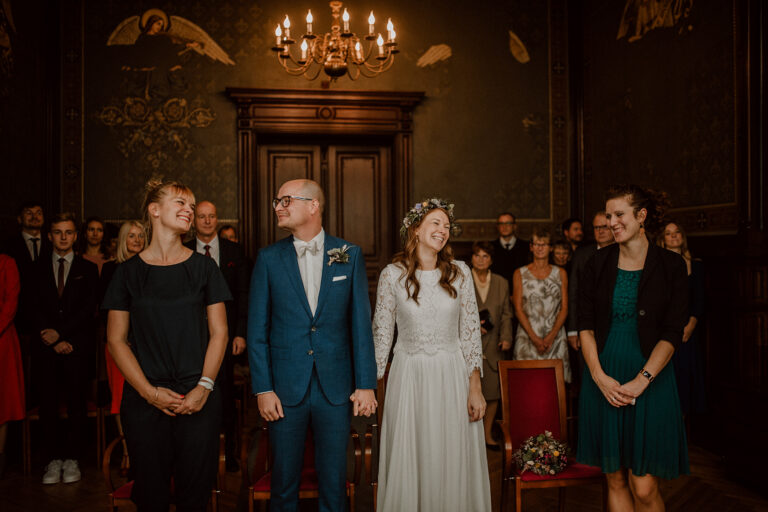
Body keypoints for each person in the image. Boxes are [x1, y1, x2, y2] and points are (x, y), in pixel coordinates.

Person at [247, 179, 377, 512]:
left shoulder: (348, 255)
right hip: (283, 391)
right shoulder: (268, 259)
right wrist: (263, 388)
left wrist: (365, 384)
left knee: (334, 485)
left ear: (313, 206)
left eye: (286, 200)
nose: (278, 206)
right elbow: (257, 330)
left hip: (335, 389)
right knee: (284, 484)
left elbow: (361, 326)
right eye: (277, 201)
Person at [103, 177, 231, 511]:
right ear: (154, 210)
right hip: (146, 398)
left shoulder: (204, 268)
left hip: (198, 395)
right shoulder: (127, 273)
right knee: (150, 494)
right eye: (180, 203)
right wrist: (148, 392)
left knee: (195, 493)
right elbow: (116, 340)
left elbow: (220, 333)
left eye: (192, 205)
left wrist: (203, 387)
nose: (189, 210)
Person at [373, 198, 491, 511]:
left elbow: (469, 334)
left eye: (447, 225)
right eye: (435, 223)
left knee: (449, 451)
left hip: (452, 375)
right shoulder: (392, 276)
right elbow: (382, 335)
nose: (443, 230)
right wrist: (368, 384)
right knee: (413, 452)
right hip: (409, 377)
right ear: (415, 229)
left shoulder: (460, 273)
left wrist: (475, 387)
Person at [577, 185, 689, 511]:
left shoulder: (670, 266)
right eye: (608, 215)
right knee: (614, 477)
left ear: (641, 216)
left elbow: (672, 333)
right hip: (605, 379)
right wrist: (599, 377)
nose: (612, 221)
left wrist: (643, 379)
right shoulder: (595, 263)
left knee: (643, 486)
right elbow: (584, 326)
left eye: (619, 214)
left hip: (651, 380)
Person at [31, 213, 99, 484]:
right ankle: (52, 460)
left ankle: (73, 459)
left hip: (76, 347)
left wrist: (63, 335)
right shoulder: (36, 268)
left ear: (75, 236)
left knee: (76, 404)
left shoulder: (88, 268)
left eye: (68, 232)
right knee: (48, 404)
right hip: (46, 348)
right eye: (58, 232)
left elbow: (88, 309)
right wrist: (52, 338)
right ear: (49, 236)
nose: (63, 237)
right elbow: (31, 307)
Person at [185, 200, 249, 471]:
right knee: (193, 392)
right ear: (194, 220)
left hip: (226, 338)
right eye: (202, 217)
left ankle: (229, 453)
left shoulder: (235, 251)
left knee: (222, 395)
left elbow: (245, 296)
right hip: (192, 338)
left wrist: (240, 334)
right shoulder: (184, 251)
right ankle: (198, 455)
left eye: (212, 216)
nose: (208, 221)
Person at [658, 221, 706, 417]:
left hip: (688, 328)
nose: (674, 236)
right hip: (664, 327)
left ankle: (684, 416)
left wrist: (691, 325)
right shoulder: (657, 264)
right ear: (663, 240)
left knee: (686, 372)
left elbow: (700, 299)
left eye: (677, 232)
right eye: (669, 234)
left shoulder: (696, 265)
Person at [469, 241, 513, 450]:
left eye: (485, 256)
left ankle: (487, 435)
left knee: (493, 392)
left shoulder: (501, 282)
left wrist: (506, 337)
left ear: (491, 260)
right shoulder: (462, 279)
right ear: (472, 258)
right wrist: (472, 327)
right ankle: (471, 440)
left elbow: (506, 313)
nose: (481, 260)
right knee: (469, 391)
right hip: (469, 344)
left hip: (494, 343)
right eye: (477, 255)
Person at [512, 228, 571, 382]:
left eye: (543, 244)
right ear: (531, 247)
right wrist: (535, 338)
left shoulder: (560, 273)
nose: (539, 248)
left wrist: (551, 337)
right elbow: (518, 308)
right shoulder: (519, 273)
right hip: (528, 336)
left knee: (554, 385)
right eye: (536, 244)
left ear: (550, 248)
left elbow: (564, 308)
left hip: (555, 337)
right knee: (526, 385)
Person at [0, 254, 24, 479]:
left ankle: (0, 455)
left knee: (3, 400)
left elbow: (11, 300)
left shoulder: (7, 263)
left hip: (2, 339)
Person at [489, 212, 529, 288]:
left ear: (514, 226)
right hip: (497, 290)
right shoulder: (491, 248)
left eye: (508, 223)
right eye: (501, 224)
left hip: (521, 289)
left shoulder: (526, 247)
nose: (504, 227)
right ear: (497, 227)